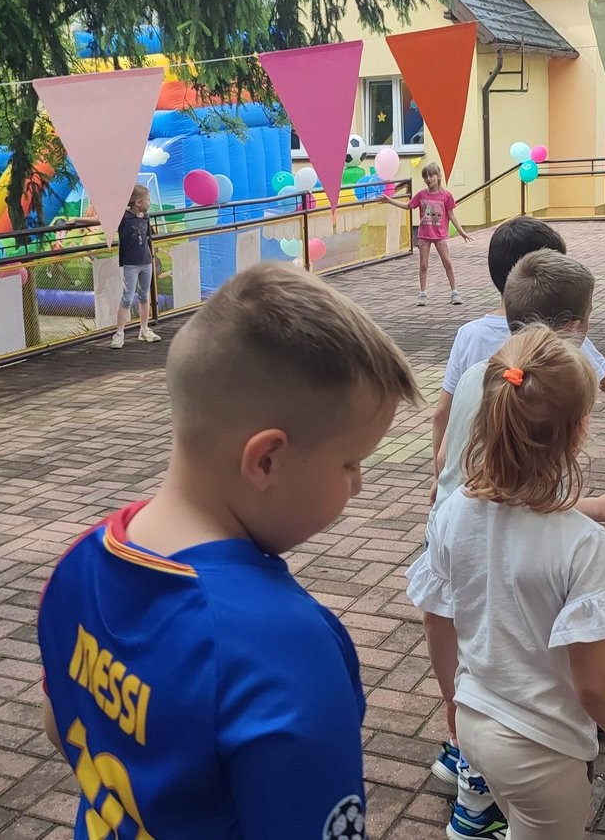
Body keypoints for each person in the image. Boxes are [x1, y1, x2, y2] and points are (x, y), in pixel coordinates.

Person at [37, 263, 421, 839]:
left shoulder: (80, 561)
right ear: (265, 460)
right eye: (350, 463)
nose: (359, 485)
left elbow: (58, 724)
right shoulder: (284, 648)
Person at [409, 325, 605, 840]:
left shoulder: (453, 513)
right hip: (543, 747)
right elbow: (594, 682)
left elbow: (438, 621)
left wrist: (452, 700)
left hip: (474, 721)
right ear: (578, 430)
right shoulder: (582, 543)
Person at [430, 217, 605, 514]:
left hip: (455, 513)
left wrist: (443, 479)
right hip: (526, 518)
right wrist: (598, 508)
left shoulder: (469, 343)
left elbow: (442, 417)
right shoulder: (568, 344)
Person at [382, 161, 472, 306]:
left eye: (431, 176)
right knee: (423, 265)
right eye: (426, 176)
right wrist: (390, 201)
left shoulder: (446, 196)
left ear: (439, 176)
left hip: (440, 236)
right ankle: (423, 293)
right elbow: (408, 206)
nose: (428, 179)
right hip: (424, 235)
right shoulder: (421, 195)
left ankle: (454, 292)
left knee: (447, 262)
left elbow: (451, 215)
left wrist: (462, 232)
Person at [110, 184, 161, 348]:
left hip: (146, 261)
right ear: (138, 202)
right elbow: (105, 221)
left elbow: (148, 237)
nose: (150, 203)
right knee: (127, 297)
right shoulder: (124, 218)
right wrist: (78, 220)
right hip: (131, 264)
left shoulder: (145, 217)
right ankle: (119, 333)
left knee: (144, 295)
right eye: (148, 200)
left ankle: (144, 329)